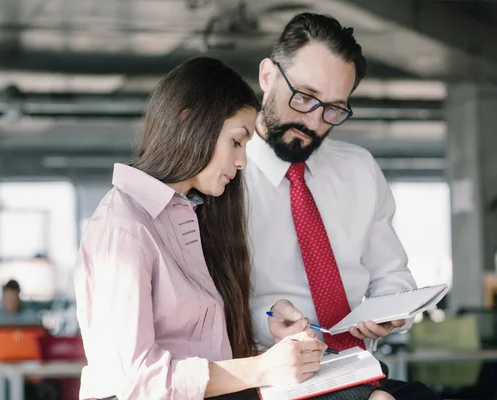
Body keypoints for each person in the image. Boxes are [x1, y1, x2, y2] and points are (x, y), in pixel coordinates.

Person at [74, 56, 396, 400]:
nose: (242, 162)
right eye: (237, 142)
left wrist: (268, 318)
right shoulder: (122, 229)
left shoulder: (190, 215)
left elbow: (208, 335)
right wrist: (261, 369)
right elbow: (137, 381)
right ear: (189, 123)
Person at [245, 12, 440, 400]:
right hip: (271, 374)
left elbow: (392, 273)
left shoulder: (358, 169)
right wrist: (265, 324)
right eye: (303, 97)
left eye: (333, 108)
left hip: (357, 368)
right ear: (268, 76)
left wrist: (389, 311)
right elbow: (207, 302)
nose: (314, 121)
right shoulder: (224, 177)